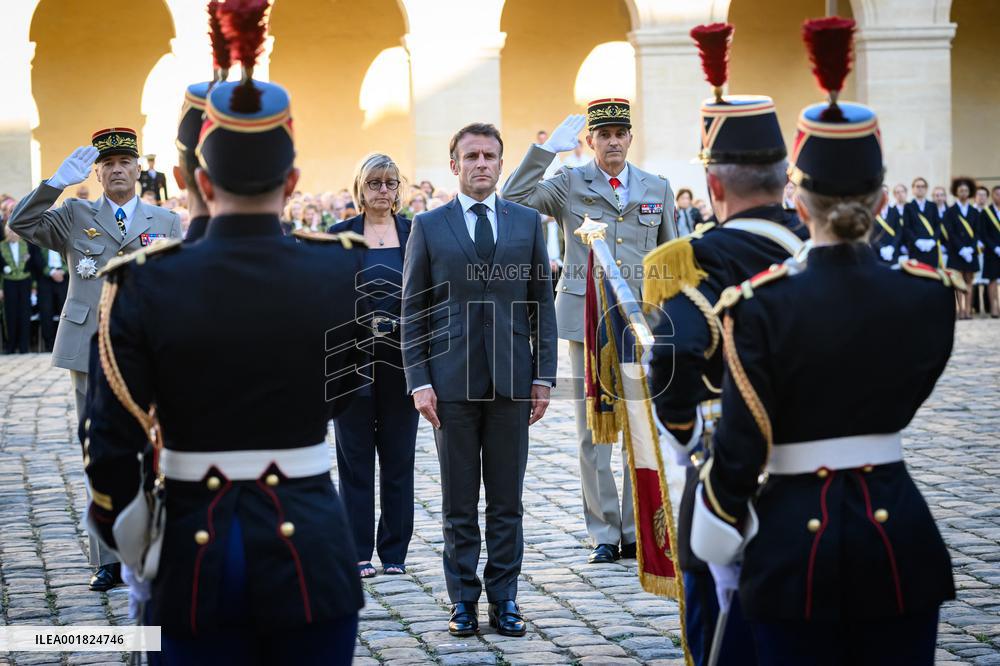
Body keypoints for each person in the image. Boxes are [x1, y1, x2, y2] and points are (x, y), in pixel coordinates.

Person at [83, 19, 365, 663]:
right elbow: (349, 395)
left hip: (189, 560)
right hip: (314, 554)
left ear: (201, 184)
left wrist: (131, 545)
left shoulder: (142, 285)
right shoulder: (341, 272)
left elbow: (110, 446)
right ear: (291, 185)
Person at [692, 19, 958, 665]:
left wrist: (716, 524)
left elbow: (741, 443)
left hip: (792, 539)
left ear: (799, 197)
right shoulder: (929, 293)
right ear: (882, 199)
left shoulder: (761, 303)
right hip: (900, 531)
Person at [646, 22, 806, 665]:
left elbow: (675, 358)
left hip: (725, 477)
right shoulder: (825, 251)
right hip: (826, 480)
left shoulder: (687, 259)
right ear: (783, 175)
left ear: (714, 186)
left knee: (720, 634)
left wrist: (687, 436)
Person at [502, 98, 676, 564]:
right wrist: (545, 154)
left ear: (630, 139)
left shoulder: (656, 188)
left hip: (640, 323)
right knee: (593, 427)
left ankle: (638, 528)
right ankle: (604, 530)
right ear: (590, 141)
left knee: (638, 425)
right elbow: (513, 199)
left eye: (621, 133)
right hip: (587, 323)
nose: (613, 141)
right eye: (604, 134)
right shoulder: (569, 184)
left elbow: (671, 258)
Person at [402, 122, 557, 638]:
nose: (482, 164)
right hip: (451, 385)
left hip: (513, 381)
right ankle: (463, 599)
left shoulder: (527, 223)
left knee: (508, 500)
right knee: (459, 501)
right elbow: (413, 311)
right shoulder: (428, 225)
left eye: (490, 155)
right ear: (455, 165)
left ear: (500, 162)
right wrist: (419, 380)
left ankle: (505, 598)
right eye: (471, 156)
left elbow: (542, 305)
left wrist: (545, 375)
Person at [8, 126, 180, 591]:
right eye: (108, 164)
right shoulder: (73, 214)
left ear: (138, 169)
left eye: (126, 162)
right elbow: (21, 224)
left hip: (149, 350)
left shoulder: (165, 222)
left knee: (154, 451)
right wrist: (54, 183)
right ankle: (106, 558)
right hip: (90, 347)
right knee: (99, 451)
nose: (117, 169)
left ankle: (150, 549)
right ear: (98, 173)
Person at [328, 153, 418, 579]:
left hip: (404, 363)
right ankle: (358, 551)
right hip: (352, 365)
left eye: (390, 183)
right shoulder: (338, 236)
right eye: (374, 183)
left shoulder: (416, 233)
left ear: (399, 189)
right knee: (355, 461)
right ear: (359, 188)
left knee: (399, 459)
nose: (383, 190)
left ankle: (395, 552)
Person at [944, 177, 980, 319]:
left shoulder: (975, 211)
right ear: (956, 192)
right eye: (960, 190)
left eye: (966, 190)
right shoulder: (951, 211)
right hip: (956, 251)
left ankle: (968, 310)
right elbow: (950, 232)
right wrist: (961, 249)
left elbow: (978, 232)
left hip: (970, 252)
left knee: (969, 281)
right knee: (958, 282)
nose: (963, 193)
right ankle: (960, 310)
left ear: (970, 192)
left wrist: (971, 248)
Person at [1, 227, 41, 353]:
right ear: (6, 232)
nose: (12, 234)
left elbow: (33, 268)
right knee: (10, 314)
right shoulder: (1, 246)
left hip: (25, 282)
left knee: (25, 314)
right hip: (8, 282)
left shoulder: (28, 246)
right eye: (10, 231)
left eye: (14, 231)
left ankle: (24, 346)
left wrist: (34, 287)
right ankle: (11, 346)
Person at [33, 246, 69, 352]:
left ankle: (65, 343)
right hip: (45, 279)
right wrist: (51, 272)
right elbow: (37, 258)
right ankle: (49, 344)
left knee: (65, 311)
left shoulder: (63, 240)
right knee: (46, 311)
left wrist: (64, 270)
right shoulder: (39, 241)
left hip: (63, 278)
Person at [904, 177, 938, 266]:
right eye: (917, 186)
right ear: (913, 189)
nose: (920, 189)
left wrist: (933, 241)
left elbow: (938, 226)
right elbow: (907, 227)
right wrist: (916, 241)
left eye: (923, 186)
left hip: (931, 247)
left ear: (926, 189)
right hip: (915, 248)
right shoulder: (908, 206)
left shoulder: (933, 206)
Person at [981, 186, 1000, 317]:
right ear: (992, 196)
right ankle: (993, 308)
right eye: (997, 194)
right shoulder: (986, 212)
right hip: (992, 252)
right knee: (992, 280)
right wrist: (995, 247)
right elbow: (983, 233)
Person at [871, 186, 901, 265]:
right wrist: (881, 248)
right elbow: (870, 234)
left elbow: (899, 232)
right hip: (877, 252)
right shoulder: (872, 212)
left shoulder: (894, 211)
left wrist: (892, 247)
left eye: (886, 193)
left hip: (893, 251)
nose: (884, 195)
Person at [881, 184, 911, 265]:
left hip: (911, 247)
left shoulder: (912, 208)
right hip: (894, 248)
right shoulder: (894, 209)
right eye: (897, 192)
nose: (900, 194)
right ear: (894, 195)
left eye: (902, 191)